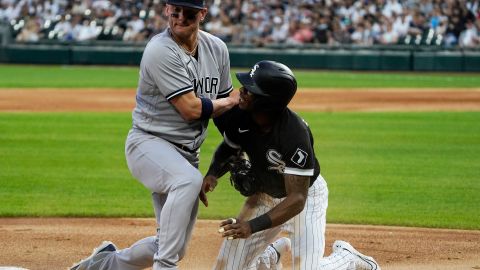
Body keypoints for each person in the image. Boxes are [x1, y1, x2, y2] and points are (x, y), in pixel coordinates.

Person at [69, 0, 238, 269]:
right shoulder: (159, 50)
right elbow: (191, 109)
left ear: (203, 14)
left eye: (189, 11)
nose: (180, 17)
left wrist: (238, 146)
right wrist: (231, 101)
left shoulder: (217, 48)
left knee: (172, 245)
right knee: (186, 182)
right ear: (167, 10)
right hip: (149, 145)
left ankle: (101, 263)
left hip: (186, 157)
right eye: (175, 10)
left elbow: (224, 114)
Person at [200, 60, 381, 270]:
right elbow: (229, 148)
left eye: (251, 89)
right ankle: (269, 256)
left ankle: (346, 257)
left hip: (304, 201)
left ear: (268, 102)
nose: (242, 91)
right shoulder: (240, 116)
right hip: (264, 196)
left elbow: (297, 198)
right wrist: (212, 174)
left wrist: (251, 226)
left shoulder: (294, 135)